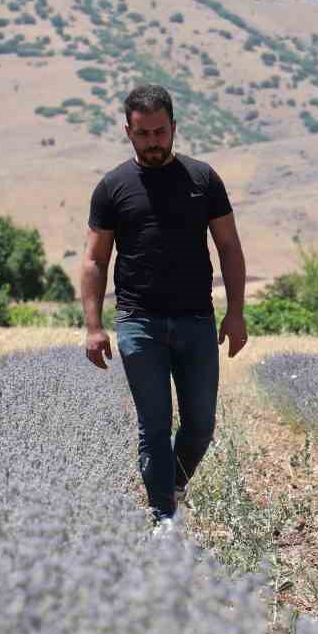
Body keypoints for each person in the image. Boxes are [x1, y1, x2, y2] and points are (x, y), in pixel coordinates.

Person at [79, 83, 249, 526]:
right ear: (128, 132)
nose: (153, 142)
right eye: (143, 134)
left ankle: (170, 487)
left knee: (200, 426)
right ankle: (163, 518)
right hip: (139, 322)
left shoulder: (203, 179)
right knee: (153, 427)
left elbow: (229, 247)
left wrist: (235, 312)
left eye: (160, 132)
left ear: (174, 127)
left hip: (196, 320)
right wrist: (93, 326)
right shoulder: (113, 187)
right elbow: (96, 259)